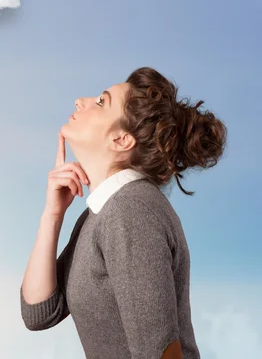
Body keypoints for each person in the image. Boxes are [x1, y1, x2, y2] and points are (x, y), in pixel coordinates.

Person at [20, 67, 227, 359]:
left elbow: (159, 352)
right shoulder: (103, 212)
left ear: (121, 140)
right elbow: (39, 312)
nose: (80, 100)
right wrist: (52, 216)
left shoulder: (131, 212)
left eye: (102, 102)